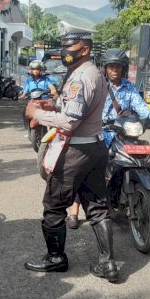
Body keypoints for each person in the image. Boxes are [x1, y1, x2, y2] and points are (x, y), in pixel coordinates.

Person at [24, 31, 118, 282]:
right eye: (63, 45)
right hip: (94, 148)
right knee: (97, 206)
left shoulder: (81, 78)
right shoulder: (90, 73)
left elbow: (69, 122)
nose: (65, 51)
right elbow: (75, 109)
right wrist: (52, 106)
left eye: (70, 46)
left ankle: (56, 258)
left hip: (76, 151)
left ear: (85, 49)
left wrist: (37, 113)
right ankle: (108, 264)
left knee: (54, 205)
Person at [66, 49, 150, 230]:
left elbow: (140, 105)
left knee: (143, 161)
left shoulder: (129, 87)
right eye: (111, 67)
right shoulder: (99, 84)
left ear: (123, 69)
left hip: (124, 134)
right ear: (105, 68)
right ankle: (74, 210)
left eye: (118, 66)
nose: (115, 70)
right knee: (86, 169)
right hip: (101, 134)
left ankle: (129, 196)